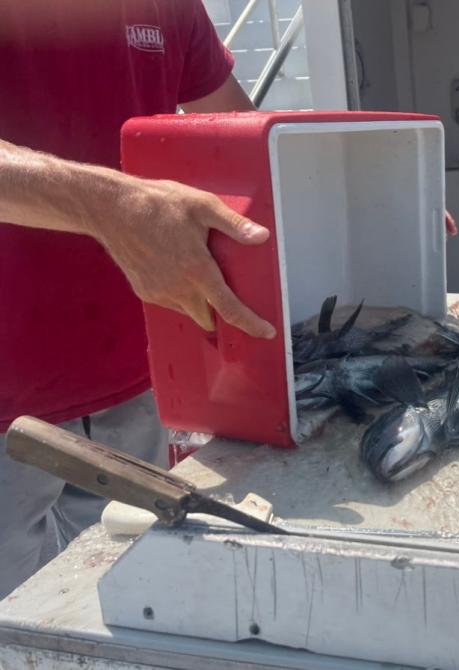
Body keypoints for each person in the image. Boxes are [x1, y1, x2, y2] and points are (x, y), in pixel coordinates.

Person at [0, 1, 280, 600]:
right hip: (7, 395)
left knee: (122, 595)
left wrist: (342, 193)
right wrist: (110, 205)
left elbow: (236, 128)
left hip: (140, 370)